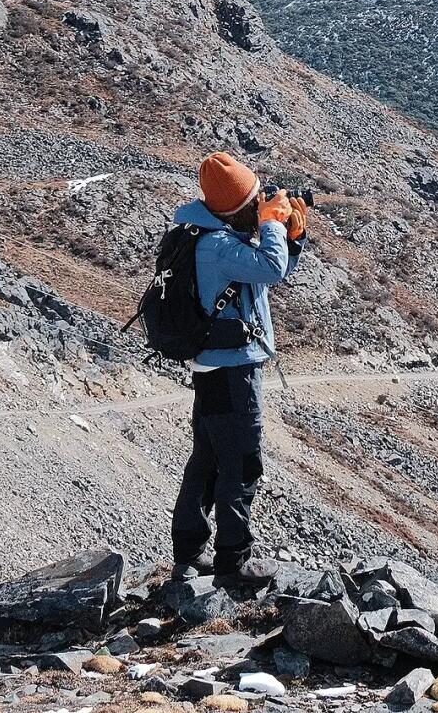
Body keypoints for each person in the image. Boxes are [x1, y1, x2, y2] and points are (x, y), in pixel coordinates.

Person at [170, 150, 308, 584]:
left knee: (208, 461)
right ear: (237, 209)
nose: (261, 206)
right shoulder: (216, 246)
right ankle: (234, 560)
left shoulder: (208, 235)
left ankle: (188, 553)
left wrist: (292, 237)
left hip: (215, 367)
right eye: (255, 202)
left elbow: (267, 273)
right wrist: (270, 225)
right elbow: (268, 267)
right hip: (234, 372)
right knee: (242, 464)